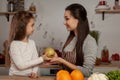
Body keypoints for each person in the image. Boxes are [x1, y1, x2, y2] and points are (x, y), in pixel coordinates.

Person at [50, 3, 98, 77]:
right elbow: (66, 64)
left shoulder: (90, 41)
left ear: (78, 19)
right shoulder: (71, 38)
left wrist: (62, 60)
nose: (64, 22)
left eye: (67, 19)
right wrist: (57, 59)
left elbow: (87, 72)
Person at [8, 11, 51, 78]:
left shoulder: (32, 43)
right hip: (15, 77)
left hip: (29, 78)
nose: (34, 28)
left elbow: (35, 61)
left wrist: (34, 72)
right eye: (32, 25)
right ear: (22, 27)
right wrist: (41, 59)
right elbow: (21, 65)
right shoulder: (14, 45)